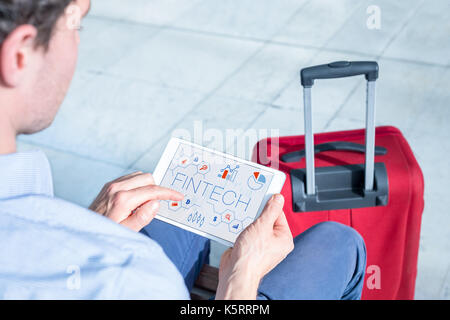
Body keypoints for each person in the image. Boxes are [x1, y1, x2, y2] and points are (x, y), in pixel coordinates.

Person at [0, 0, 366, 300]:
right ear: (19, 55)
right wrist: (239, 279)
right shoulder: (131, 278)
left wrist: (87, 230)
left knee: (172, 205)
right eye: (77, 26)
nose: (77, 46)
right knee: (341, 243)